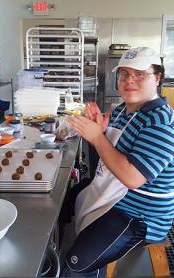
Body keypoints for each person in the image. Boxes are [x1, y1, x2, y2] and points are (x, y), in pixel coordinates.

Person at [62, 47, 174, 277]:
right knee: (66, 200)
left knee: (78, 263)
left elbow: (132, 178)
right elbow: (111, 153)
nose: (129, 81)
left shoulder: (160, 122)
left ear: (157, 78)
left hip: (140, 214)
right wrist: (99, 131)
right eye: (124, 74)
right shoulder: (122, 109)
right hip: (114, 195)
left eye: (139, 74)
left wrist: (97, 137)